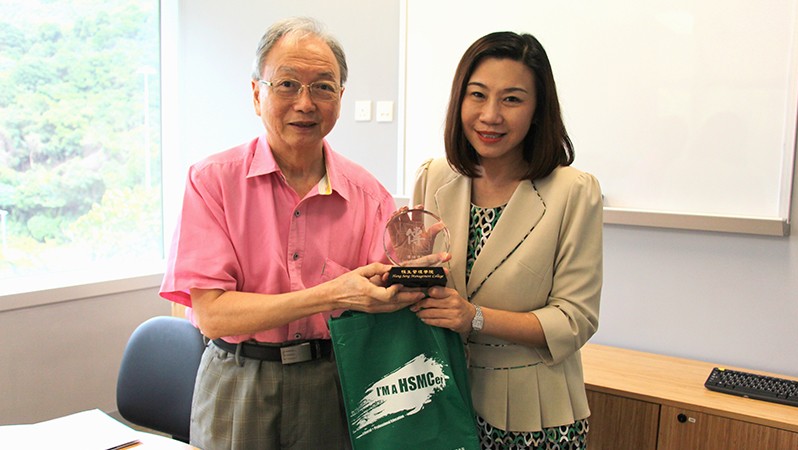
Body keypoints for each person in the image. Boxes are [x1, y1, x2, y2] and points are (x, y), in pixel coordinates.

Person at [159, 17, 425, 450]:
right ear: (255, 94)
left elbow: (382, 302)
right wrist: (332, 294)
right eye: (287, 84)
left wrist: (416, 274)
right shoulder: (212, 182)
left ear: (340, 98)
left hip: (333, 381)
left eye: (323, 87)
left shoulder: (371, 196)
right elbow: (212, 314)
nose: (305, 103)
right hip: (238, 379)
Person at [408, 31, 603, 449]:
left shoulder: (573, 190)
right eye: (477, 95)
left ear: (537, 111)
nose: (490, 115)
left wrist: (473, 316)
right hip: (441, 396)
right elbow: (421, 284)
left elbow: (575, 319)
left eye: (512, 99)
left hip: (533, 412)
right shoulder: (435, 176)